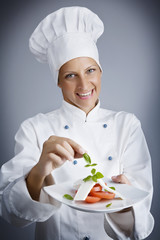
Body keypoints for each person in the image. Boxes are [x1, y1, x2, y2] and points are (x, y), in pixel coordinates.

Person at [0, 6, 154, 240]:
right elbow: (12, 213)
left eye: (90, 70)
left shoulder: (127, 125)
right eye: (70, 75)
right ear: (58, 81)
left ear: (100, 72)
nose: (84, 85)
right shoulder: (34, 128)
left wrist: (124, 202)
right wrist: (40, 169)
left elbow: (139, 225)